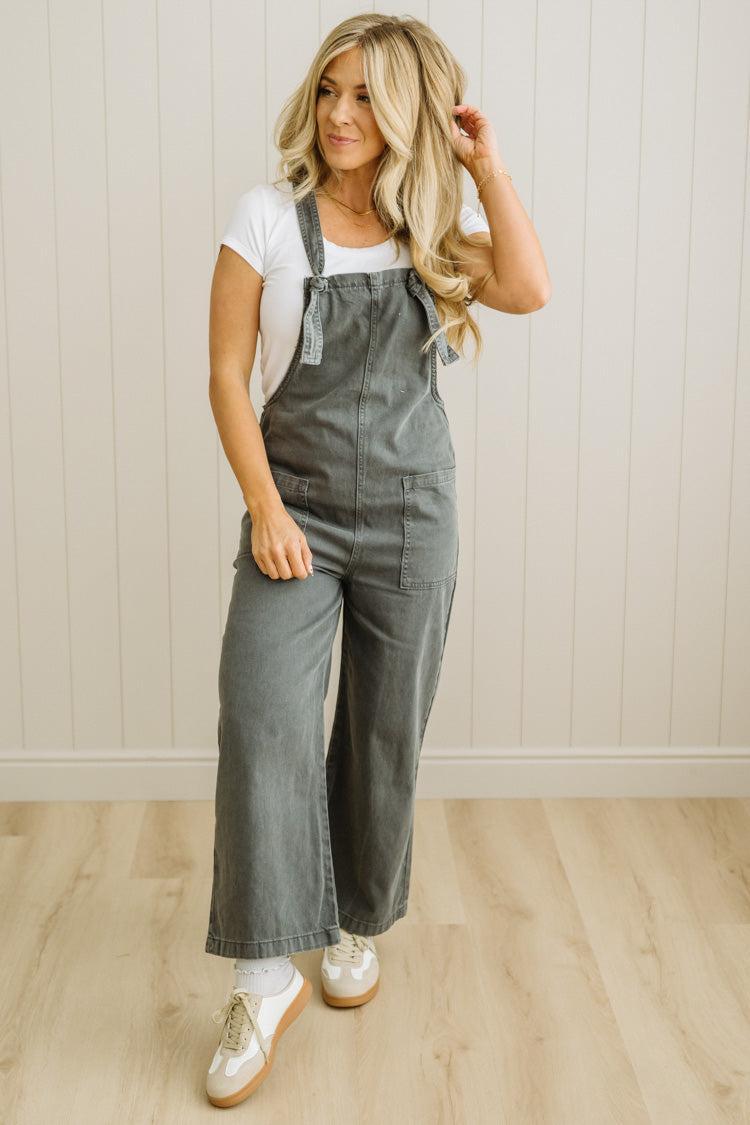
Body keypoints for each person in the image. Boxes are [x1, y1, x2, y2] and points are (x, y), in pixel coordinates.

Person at [204, 12, 551, 1108]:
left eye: (364, 97)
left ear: (406, 112)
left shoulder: (429, 233)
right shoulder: (266, 217)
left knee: (382, 730)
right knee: (261, 717)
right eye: (329, 92)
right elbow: (224, 373)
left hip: (412, 517)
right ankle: (264, 977)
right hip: (293, 511)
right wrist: (263, 505)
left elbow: (531, 288)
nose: (341, 115)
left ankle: (353, 929)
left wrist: (484, 163)